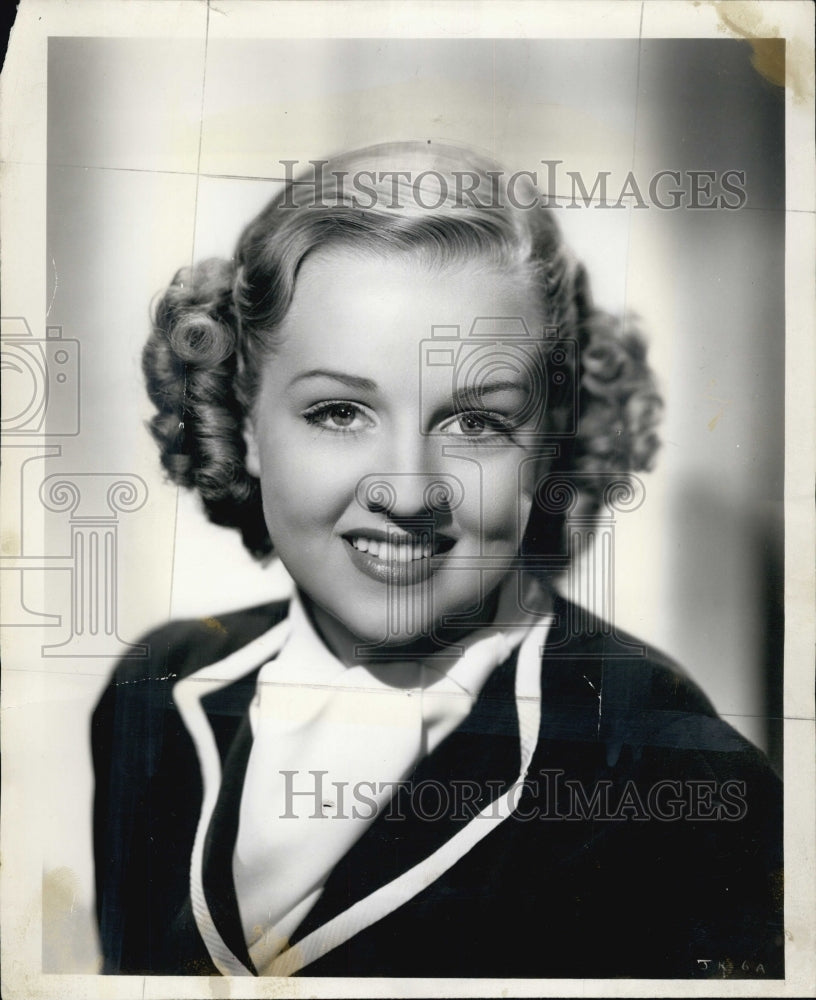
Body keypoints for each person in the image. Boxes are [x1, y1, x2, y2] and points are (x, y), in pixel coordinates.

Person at [92, 141, 783, 979]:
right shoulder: (156, 692)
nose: (409, 491)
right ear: (243, 423)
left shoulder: (682, 779)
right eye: (340, 411)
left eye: (476, 422)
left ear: (546, 445)